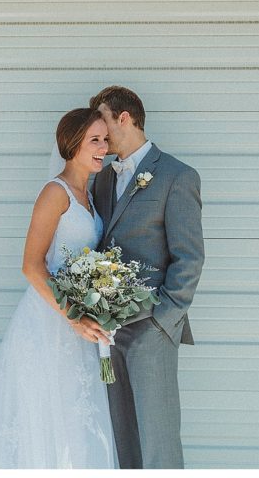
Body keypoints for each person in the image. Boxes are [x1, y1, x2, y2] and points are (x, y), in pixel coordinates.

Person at [0, 108, 118, 468]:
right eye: (95, 140)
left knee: (74, 416)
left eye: (105, 139)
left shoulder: (89, 194)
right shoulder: (55, 193)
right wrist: (73, 315)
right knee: (42, 417)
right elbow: (31, 265)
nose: (104, 147)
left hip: (78, 327)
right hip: (48, 323)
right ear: (72, 144)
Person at [89, 85, 205, 469]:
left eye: (103, 121)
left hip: (152, 330)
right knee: (122, 441)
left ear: (124, 117)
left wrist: (162, 318)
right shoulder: (101, 179)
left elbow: (189, 258)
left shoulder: (177, 176)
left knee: (159, 444)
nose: (100, 134)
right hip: (108, 334)